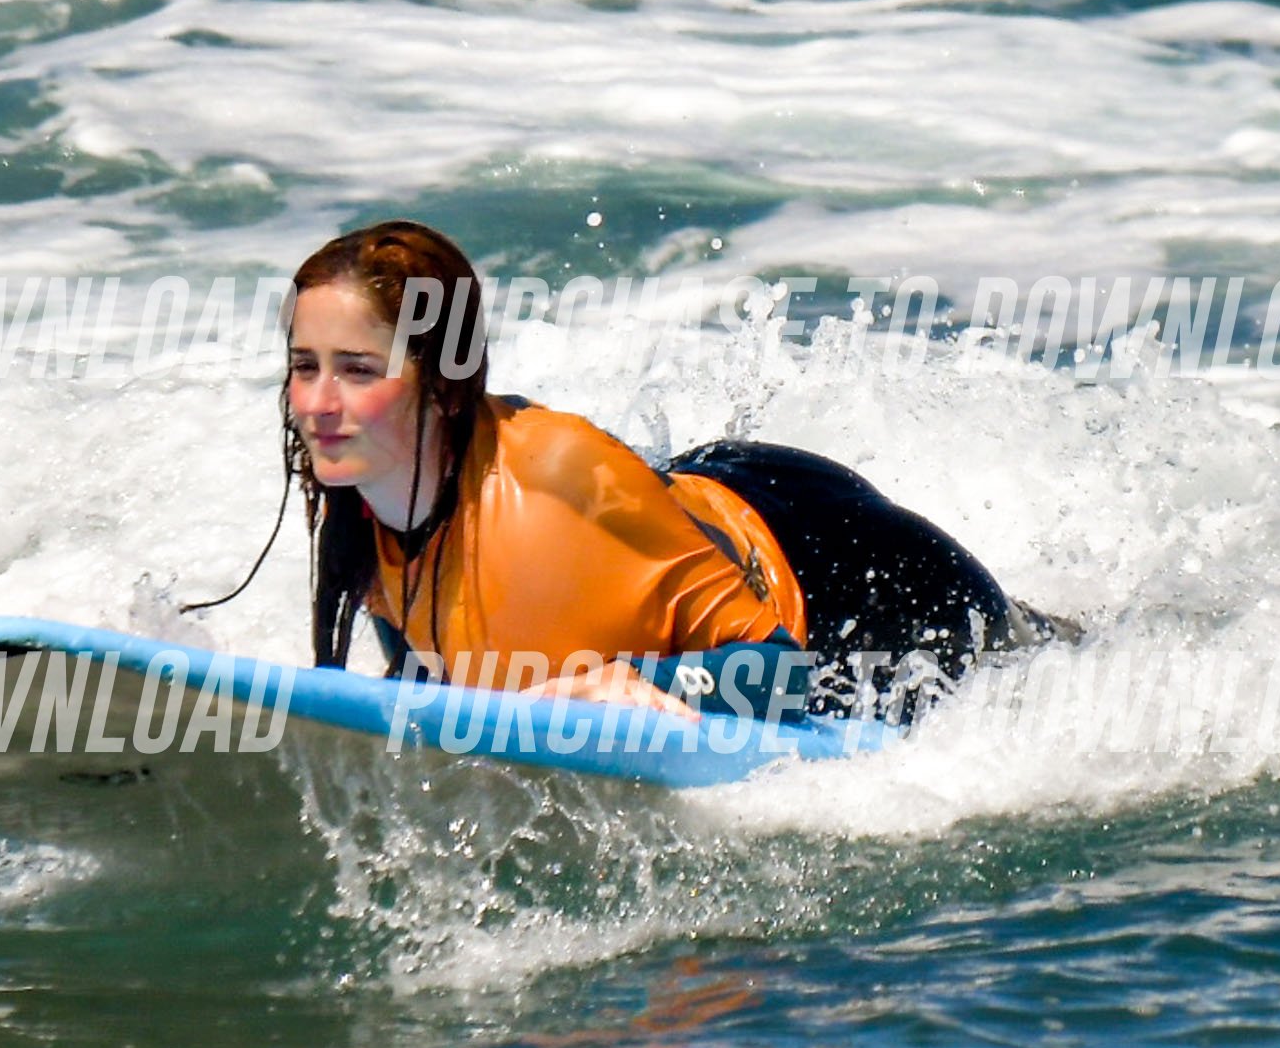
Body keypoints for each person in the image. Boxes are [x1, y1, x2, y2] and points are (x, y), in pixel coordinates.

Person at [243, 219, 1031, 720]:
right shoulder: (367, 499)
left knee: (1034, 659)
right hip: (698, 498)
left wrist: (646, 683)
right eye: (305, 366)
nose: (317, 402)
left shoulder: (551, 479)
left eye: (357, 369)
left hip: (847, 576)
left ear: (443, 386)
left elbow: (782, 671)